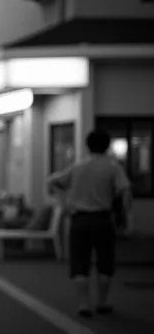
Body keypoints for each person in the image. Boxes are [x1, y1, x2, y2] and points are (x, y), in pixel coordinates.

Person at [48, 129, 133, 318]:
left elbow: (53, 181)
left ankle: (84, 304)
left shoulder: (78, 167)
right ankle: (102, 302)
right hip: (103, 219)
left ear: (87, 145)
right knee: (105, 262)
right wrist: (127, 219)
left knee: (79, 261)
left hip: (79, 219)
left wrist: (65, 203)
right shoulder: (113, 167)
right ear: (107, 145)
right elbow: (125, 191)